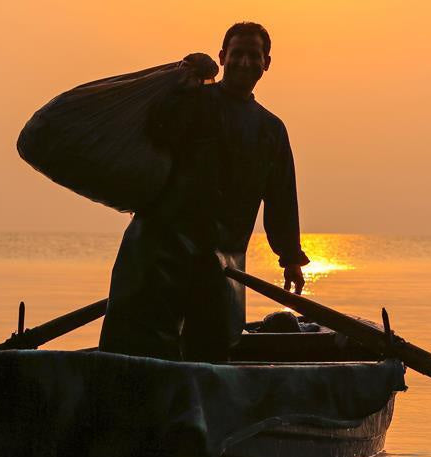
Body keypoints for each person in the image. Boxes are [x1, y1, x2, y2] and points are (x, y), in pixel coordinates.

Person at [98, 22, 309, 362]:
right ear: (223, 57)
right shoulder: (193, 103)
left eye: (254, 56)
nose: (244, 62)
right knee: (133, 352)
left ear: (266, 63)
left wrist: (290, 258)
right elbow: (155, 128)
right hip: (156, 252)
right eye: (237, 54)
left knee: (209, 355)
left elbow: (281, 200)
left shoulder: (271, 130)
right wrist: (178, 82)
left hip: (220, 265)